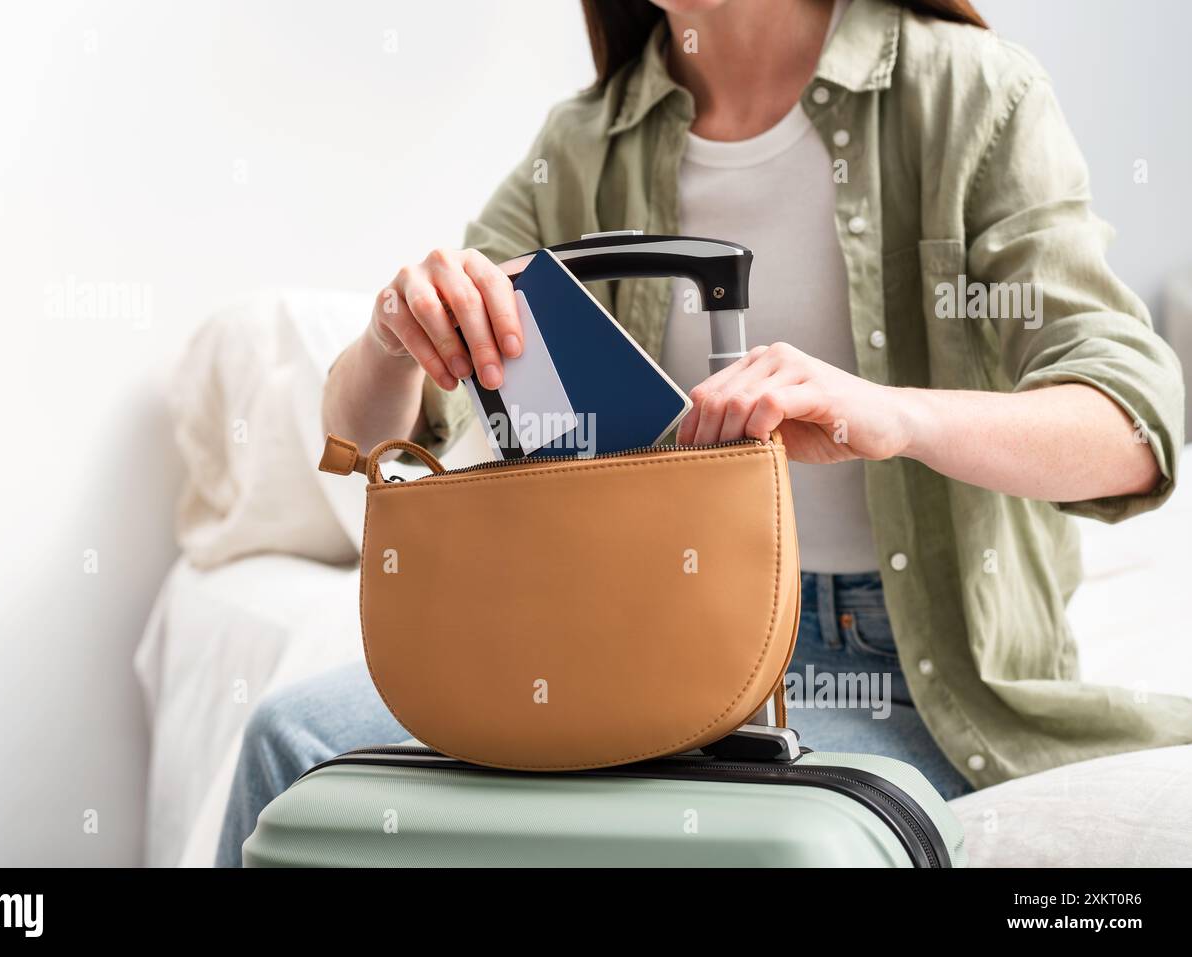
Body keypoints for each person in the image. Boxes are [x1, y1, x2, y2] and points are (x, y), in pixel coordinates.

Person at [215, 0, 1189, 865]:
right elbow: (360, 442)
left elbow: (1134, 427)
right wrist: (393, 339)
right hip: (627, 630)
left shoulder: (968, 92)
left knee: (690, 823)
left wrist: (894, 414)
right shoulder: (589, 138)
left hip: (894, 664)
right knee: (289, 740)